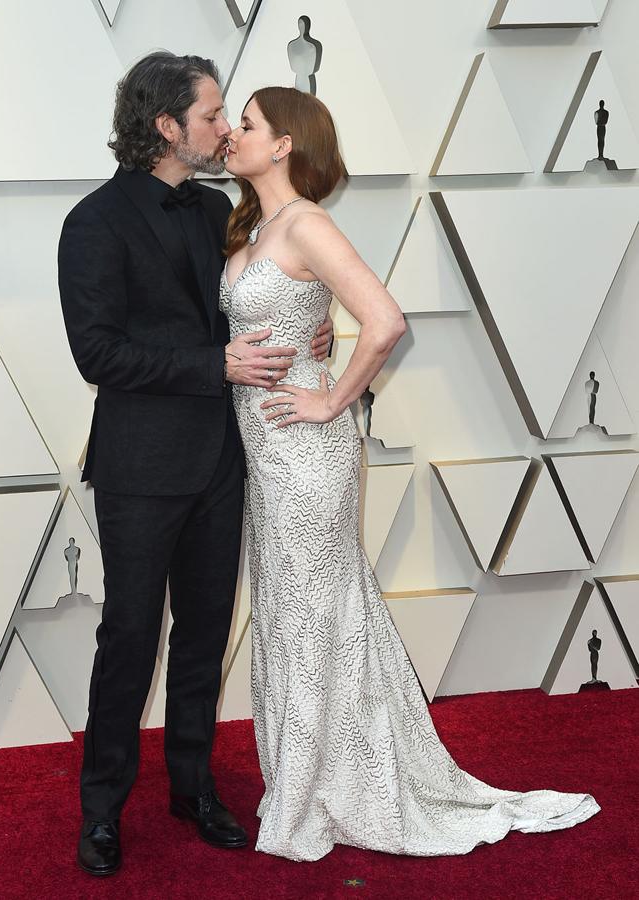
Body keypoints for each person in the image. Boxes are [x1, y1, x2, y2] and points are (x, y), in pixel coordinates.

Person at [221, 86, 601, 862]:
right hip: (265, 457)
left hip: (306, 457)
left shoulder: (306, 225)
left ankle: (321, 788)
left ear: (285, 143)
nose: (233, 134)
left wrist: (332, 402)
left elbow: (385, 320)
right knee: (296, 614)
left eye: (249, 125)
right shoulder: (254, 228)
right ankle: (311, 779)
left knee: (311, 614)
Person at [58, 53, 333, 877]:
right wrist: (210, 367)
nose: (224, 129)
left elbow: (272, 290)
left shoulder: (221, 208)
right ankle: (101, 811)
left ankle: (192, 788)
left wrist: (318, 332)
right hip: (142, 467)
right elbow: (97, 353)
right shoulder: (93, 222)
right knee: (130, 637)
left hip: (224, 460)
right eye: (213, 115)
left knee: (205, 638)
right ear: (167, 126)